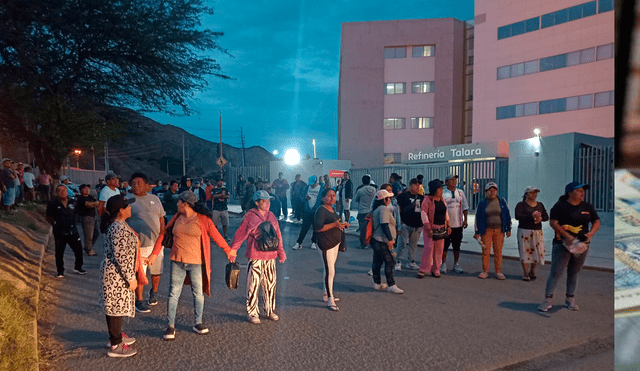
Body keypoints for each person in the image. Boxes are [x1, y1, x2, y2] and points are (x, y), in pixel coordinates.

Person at [148, 191, 234, 340]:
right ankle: (170, 326)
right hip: (177, 261)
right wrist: (154, 254)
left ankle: (198, 322)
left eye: (179, 202)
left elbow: (216, 236)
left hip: (196, 263)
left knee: (198, 293)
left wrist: (228, 251)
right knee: (173, 293)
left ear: (185, 204)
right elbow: (163, 234)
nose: (177, 204)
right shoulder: (177, 217)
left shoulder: (203, 220)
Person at [539, 182, 600, 312]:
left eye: (583, 190)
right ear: (570, 192)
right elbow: (553, 223)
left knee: (574, 272)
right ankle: (548, 299)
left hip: (582, 245)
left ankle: (570, 299)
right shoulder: (560, 206)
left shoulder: (587, 207)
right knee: (556, 272)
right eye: (578, 190)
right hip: (562, 244)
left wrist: (591, 233)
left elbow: (596, 221)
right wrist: (567, 236)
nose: (582, 192)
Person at [230, 190, 287, 323]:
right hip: (255, 255)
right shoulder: (250, 216)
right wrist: (233, 250)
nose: (267, 203)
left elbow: (278, 234)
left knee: (270, 285)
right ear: (257, 203)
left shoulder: (271, 215)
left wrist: (281, 252)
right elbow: (241, 233)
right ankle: (252, 313)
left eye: (268, 201)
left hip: (270, 256)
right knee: (253, 285)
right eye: (264, 201)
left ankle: (269, 310)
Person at [99, 194, 138, 358]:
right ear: (121, 211)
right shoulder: (118, 228)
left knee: (117, 306)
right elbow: (121, 256)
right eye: (127, 206)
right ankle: (115, 344)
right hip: (117, 275)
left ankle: (117, 336)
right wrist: (131, 278)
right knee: (114, 308)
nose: (130, 208)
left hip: (116, 274)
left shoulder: (119, 225)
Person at [126, 172, 166, 313]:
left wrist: (163, 234)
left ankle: (153, 292)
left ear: (146, 185)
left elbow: (161, 218)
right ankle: (139, 300)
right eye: (133, 183)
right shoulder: (128, 200)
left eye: (139, 183)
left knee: (156, 271)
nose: (136, 186)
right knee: (140, 273)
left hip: (157, 243)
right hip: (139, 245)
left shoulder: (154, 199)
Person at [314, 188, 349, 311]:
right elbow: (318, 228)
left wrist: (342, 224)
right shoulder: (321, 210)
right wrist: (335, 225)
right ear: (323, 198)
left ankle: (326, 294)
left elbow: (335, 223)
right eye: (329, 196)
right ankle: (330, 298)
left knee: (328, 269)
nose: (332, 198)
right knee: (330, 271)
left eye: (334, 196)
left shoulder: (333, 209)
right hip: (326, 244)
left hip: (335, 243)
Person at [473, 182, 512, 280]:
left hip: (499, 230)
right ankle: (485, 271)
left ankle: (498, 271)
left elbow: (507, 215)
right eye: (490, 190)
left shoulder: (502, 201)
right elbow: (477, 218)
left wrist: (508, 229)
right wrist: (477, 232)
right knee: (485, 251)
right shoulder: (482, 203)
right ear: (486, 192)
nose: (492, 192)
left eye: (494, 190)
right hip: (486, 230)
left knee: (498, 251)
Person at [46, 185, 86, 277]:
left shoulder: (73, 202)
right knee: (59, 252)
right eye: (60, 190)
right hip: (60, 232)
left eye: (64, 190)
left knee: (78, 250)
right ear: (57, 192)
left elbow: (78, 212)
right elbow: (48, 216)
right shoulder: (53, 203)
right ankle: (60, 271)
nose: (62, 192)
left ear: (67, 192)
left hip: (73, 231)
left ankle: (78, 267)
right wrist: (55, 224)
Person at [370, 189, 404, 294]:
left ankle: (377, 283)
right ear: (384, 199)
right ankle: (391, 284)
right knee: (390, 261)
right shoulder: (383, 209)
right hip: (382, 240)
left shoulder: (376, 209)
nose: (390, 199)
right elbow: (384, 224)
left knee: (378, 261)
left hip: (376, 239)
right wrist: (390, 239)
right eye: (388, 198)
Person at [417, 179, 451, 278]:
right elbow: (424, 214)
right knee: (429, 249)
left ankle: (436, 269)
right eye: (440, 189)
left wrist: (448, 225)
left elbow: (446, 213)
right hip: (431, 229)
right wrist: (428, 227)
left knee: (439, 251)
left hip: (441, 228)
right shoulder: (427, 200)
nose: (442, 191)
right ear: (434, 190)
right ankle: (423, 269)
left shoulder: (442, 200)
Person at [515, 186, 549, 281]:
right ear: (526, 194)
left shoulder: (540, 205)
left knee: (537, 251)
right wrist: (531, 216)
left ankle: (532, 270)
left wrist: (540, 218)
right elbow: (518, 216)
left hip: (537, 231)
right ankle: (525, 272)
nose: (534, 195)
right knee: (525, 251)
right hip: (524, 231)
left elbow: (546, 217)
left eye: (536, 193)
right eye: (531, 192)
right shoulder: (521, 205)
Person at [441, 174, 469, 274]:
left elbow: (465, 207)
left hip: (458, 225)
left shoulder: (460, 193)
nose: (454, 181)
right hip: (446, 225)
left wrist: (465, 220)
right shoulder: (443, 193)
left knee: (457, 246)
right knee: (444, 246)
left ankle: (456, 263)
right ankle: (443, 263)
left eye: (455, 179)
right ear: (446, 182)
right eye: (451, 180)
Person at [396, 178, 424, 271]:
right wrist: (399, 222)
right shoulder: (403, 196)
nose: (417, 187)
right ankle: (397, 261)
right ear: (410, 186)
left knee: (413, 244)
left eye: (418, 185)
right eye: (415, 185)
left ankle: (411, 261)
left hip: (416, 225)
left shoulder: (421, 197)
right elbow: (398, 208)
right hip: (405, 223)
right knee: (402, 243)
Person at [292, 175, 323, 250]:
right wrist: (305, 198)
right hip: (307, 210)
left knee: (315, 227)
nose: (311, 185)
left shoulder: (321, 189)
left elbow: (323, 200)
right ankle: (299, 243)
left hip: (316, 211)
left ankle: (314, 242)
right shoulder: (307, 188)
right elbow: (301, 197)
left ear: (316, 182)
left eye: (312, 183)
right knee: (304, 228)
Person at [354, 175, 376, 249]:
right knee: (371, 228)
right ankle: (371, 243)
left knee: (363, 229)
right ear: (369, 181)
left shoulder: (360, 190)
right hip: (371, 211)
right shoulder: (374, 190)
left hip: (362, 211)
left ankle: (363, 243)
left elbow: (356, 199)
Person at [76, 184, 99, 256]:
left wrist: (93, 203)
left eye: (88, 189)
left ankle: (88, 247)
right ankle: (89, 250)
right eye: (85, 189)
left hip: (93, 217)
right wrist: (93, 204)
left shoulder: (90, 197)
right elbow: (87, 205)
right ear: (81, 190)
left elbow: (98, 203)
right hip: (86, 218)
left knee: (96, 233)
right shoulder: (80, 198)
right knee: (89, 235)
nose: (87, 190)